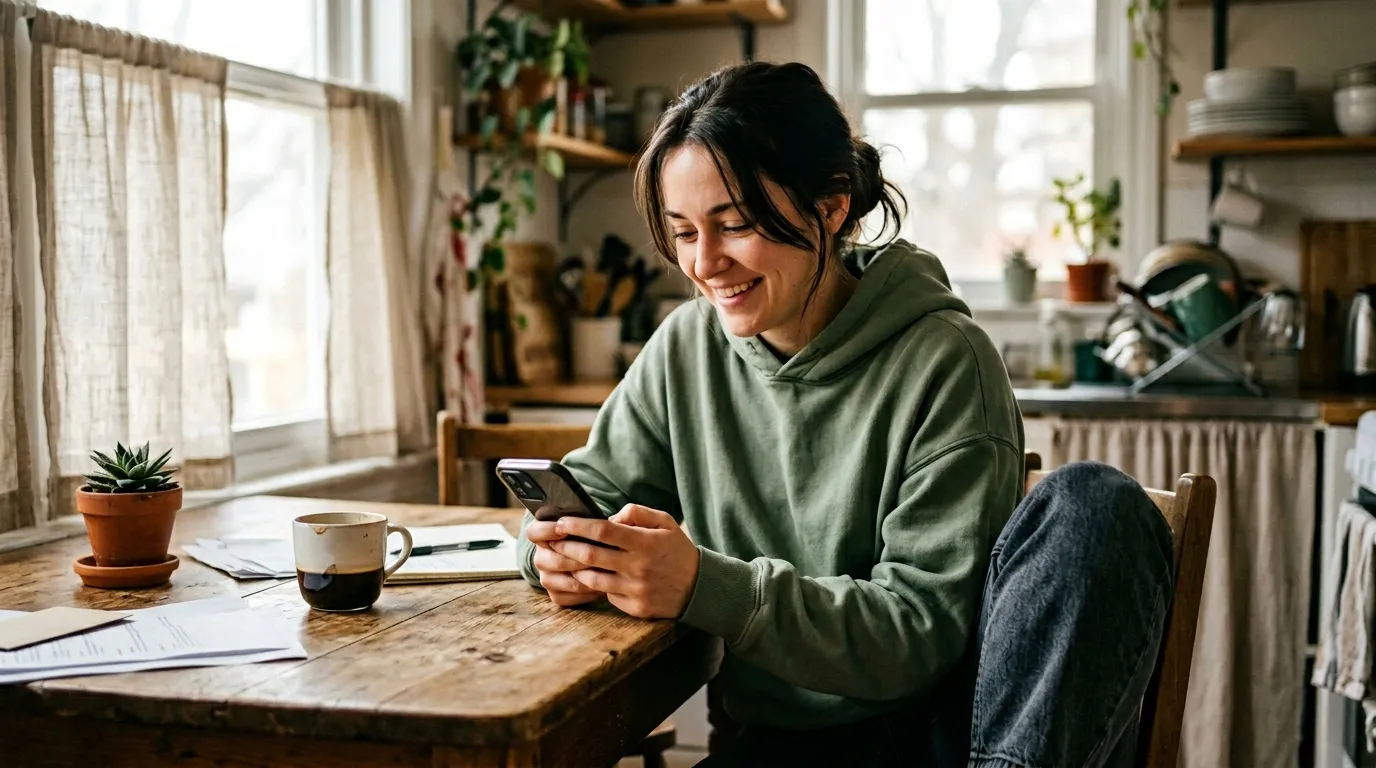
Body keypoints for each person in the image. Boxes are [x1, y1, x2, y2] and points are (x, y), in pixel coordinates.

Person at [516, 61, 1173, 768]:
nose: (705, 264)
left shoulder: (944, 362)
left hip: (937, 742)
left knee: (1095, 503)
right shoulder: (685, 347)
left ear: (831, 207)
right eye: (683, 232)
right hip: (771, 750)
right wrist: (558, 554)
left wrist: (707, 586)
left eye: (734, 224)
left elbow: (917, 634)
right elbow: (581, 500)